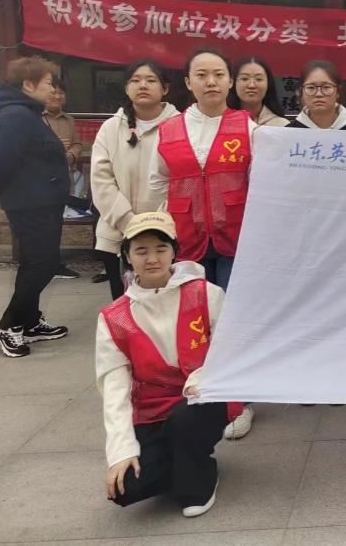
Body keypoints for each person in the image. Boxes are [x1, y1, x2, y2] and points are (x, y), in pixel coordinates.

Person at [96, 211, 241, 518]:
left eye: (161, 249)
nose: (152, 259)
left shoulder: (205, 294)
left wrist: (199, 379)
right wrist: (121, 451)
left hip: (201, 399)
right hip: (153, 411)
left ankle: (200, 478)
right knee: (126, 489)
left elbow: (230, 350)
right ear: (127, 256)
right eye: (141, 251)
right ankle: (184, 460)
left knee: (187, 419)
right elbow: (114, 386)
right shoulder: (114, 317)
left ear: (174, 251)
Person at [147, 49, 255, 440]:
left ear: (230, 82)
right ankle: (199, 392)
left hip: (236, 238)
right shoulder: (169, 130)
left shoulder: (247, 127)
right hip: (188, 239)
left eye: (219, 74)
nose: (211, 82)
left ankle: (239, 401)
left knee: (234, 318)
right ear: (188, 83)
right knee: (194, 320)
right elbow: (157, 181)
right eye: (202, 75)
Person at [0, 56, 70, 358]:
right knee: (43, 263)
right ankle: (9, 325)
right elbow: (3, 158)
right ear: (28, 85)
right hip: (31, 203)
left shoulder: (26, 112)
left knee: (36, 262)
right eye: (48, 84)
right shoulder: (17, 115)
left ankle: (30, 321)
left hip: (42, 200)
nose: (52, 90)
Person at [91, 59, 180, 300]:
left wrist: (157, 225)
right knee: (124, 304)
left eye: (151, 80)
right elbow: (101, 181)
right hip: (117, 233)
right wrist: (129, 223)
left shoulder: (181, 126)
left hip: (165, 234)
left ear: (165, 88)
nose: (143, 85)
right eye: (136, 80)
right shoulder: (110, 128)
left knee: (165, 303)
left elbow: (183, 182)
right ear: (126, 87)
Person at [44, 81, 88, 279]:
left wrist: (70, 155)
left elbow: (77, 144)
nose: (56, 96)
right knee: (42, 224)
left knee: (55, 223)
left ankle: (54, 264)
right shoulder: (35, 118)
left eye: (60, 93)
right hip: (40, 179)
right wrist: (53, 148)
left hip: (62, 178)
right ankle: (40, 264)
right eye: (52, 92)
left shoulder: (68, 120)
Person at [289, 60, 346, 130]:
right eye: (311, 87)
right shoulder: (289, 133)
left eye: (326, 87)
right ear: (300, 91)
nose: (319, 94)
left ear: (338, 91)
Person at [229, 57, 288, 127]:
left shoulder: (282, 125)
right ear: (233, 83)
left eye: (259, 79)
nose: (251, 85)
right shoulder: (222, 122)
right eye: (245, 79)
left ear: (268, 83)